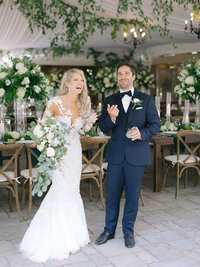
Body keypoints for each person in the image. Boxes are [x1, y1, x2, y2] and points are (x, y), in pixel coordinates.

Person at [20, 69, 97, 262]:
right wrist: (51, 142)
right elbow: (42, 128)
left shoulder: (85, 102)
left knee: (72, 189)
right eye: (76, 80)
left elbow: (84, 129)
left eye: (82, 80)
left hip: (74, 151)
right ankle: (58, 237)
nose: (80, 82)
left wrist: (90, 121)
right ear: (68, 83)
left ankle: (73, 235)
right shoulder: (55, 102)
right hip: (59, 154)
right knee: (61, 190)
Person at [95, 62, 160, 248]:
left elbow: (156, 125)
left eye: (126, 73)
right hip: (116, 156)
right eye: (119, 74)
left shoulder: (146, 99)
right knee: (112, 196)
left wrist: (143, 133)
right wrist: (112, 118)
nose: (122, 77)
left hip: (136, 155)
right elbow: (102, 127)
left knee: (132, 197)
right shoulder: (109, 100)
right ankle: (108, 230)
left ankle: (128, 232)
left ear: (133, 76)